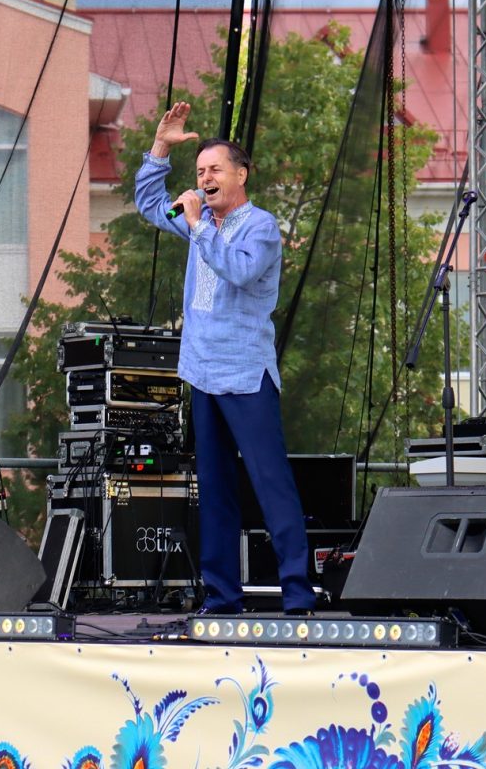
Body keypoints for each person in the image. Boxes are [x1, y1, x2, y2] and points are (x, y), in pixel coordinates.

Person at [135, 101, 318, 616]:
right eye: (199, 172)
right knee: (214, 489)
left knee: (269, 482)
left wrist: (197, 225)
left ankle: (298, 594)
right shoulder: (199, 223)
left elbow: (239, 270)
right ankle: (221, 596)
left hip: (245, 373)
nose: (205, 179)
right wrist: (161, 147)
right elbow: (149, 204)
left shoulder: (260, 227)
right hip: (202, 372)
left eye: (214, 170)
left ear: (241, 174)